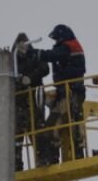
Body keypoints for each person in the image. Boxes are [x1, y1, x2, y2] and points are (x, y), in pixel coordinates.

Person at [39, 24, 87, 161]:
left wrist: (36, 54)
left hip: (71, 92)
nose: (55, 42)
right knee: (66, 124)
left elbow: (53, 55)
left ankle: (58, 157)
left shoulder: (67, 47)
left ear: (61, 37)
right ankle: (69, 155)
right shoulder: (71, 46)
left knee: (60, 124)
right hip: (67, 92)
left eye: (56, 39)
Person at [12, 33, 54, 169]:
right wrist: (13, 82)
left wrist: (30, 78)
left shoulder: (34, 56)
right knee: (16, 136)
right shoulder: (11, 62)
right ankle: (16, 165)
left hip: (34, 100)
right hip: (18, 103)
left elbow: (45, 68)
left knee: (37, 131)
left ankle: (43, 160)